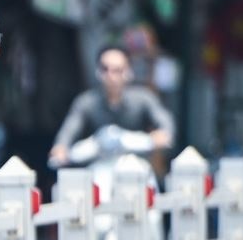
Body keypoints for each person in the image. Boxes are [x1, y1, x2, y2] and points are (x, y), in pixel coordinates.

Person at [48, 44, 175, 177]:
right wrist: (60, 147)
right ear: (98, 71)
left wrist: (163, 134)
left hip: (137, 171)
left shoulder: (144, 98)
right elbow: (69, 129)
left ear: (129, 72)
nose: (111, 76)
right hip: (97, 170)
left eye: (117, 70)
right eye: (105, 69)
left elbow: (165, 122)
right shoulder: (86, 102)